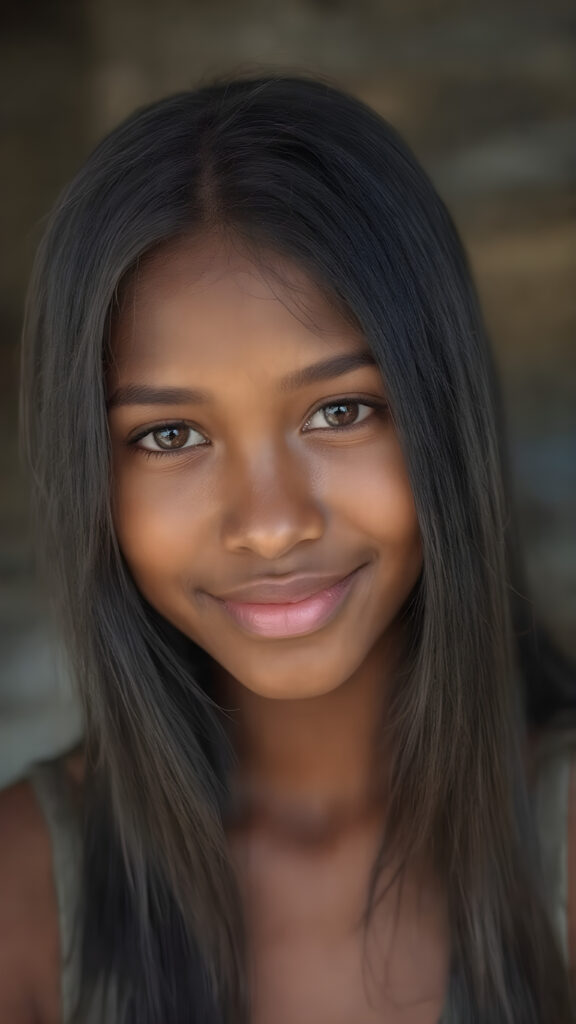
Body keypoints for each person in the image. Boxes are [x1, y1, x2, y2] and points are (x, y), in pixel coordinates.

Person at [0, 71, 575, 1024]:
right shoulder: (23, 896)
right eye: (170, 436)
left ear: (441, 413)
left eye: (339, 411)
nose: (269, 523)